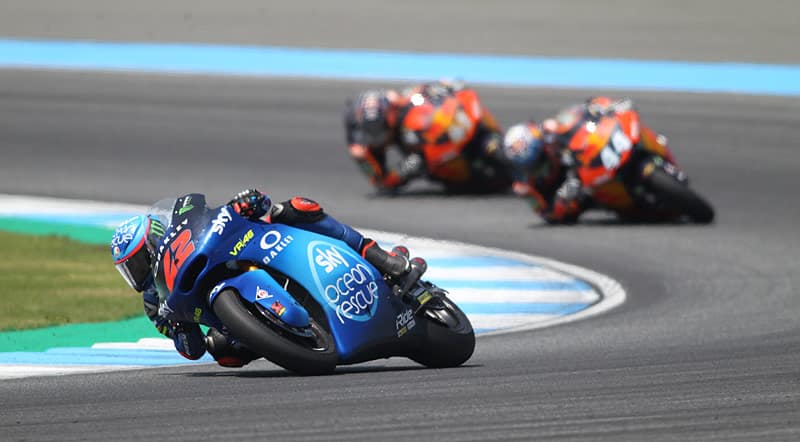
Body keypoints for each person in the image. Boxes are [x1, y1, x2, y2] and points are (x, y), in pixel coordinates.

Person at [111, 189, 415, 368]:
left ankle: (379, 257)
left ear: (153, 240)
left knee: (296, 208)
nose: (137, 272)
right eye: (129, 269)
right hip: (227, 316)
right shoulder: (155, 304)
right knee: (223, 352)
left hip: (243, 250)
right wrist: (180, 326)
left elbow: (230, 212)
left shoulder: (183, 233)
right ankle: (285, 339)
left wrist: (245, 203)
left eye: (137, 262)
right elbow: (192, 350)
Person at [344, 80, 505, 192]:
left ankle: (493, 136)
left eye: (377, 127)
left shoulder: (405, 99)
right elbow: (382, 182)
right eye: (370, 129)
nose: (374, 132)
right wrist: (405, 168)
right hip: (429, 159)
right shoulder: (360, 135)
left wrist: (448, 86)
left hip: (448, 133)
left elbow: (435, 87)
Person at [502, 96, 629, 223]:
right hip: (586, 192)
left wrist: (596, 108)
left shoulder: (550, 129)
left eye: (540, 158)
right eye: (532, 167)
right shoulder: (526, 187)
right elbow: (548, 215)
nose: (540, 167)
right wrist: (563, 199)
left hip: (591, 154)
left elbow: (576, 114)